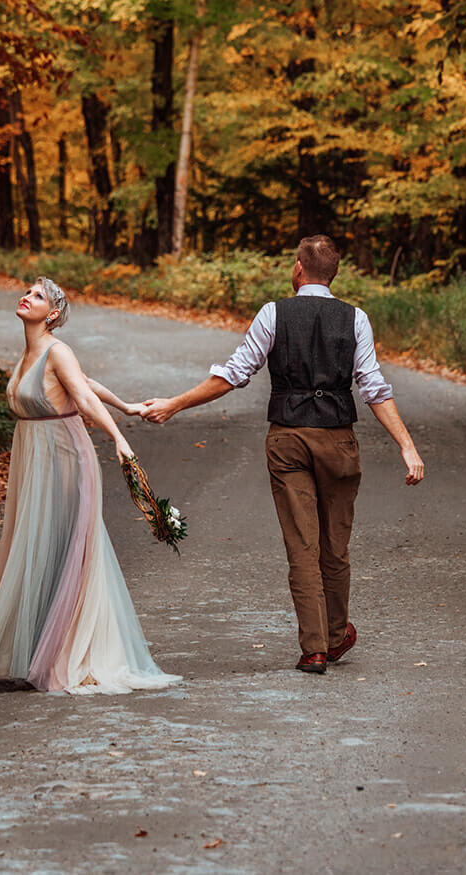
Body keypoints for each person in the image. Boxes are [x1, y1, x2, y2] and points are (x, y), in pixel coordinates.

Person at [142, 236, 424, 674]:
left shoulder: (273, 313)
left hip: (288, 439)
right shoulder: (356, 318)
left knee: (302, 546)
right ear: (333, 274)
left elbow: (234, 374)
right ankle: (334, 637)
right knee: (335, 547)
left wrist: (174, 404)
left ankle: (315, 649)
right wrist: (407, 447)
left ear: (298, 269)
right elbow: (373, 388)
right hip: (338, 441)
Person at [0, 277, 180, 694]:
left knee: (65, 547)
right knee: (35, 547)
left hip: (64, 458)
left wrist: (120, 438)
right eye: (27, 291)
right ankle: (37, 652)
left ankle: (69, 655)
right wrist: (126, 404)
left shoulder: (56, 349)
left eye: (36, 295)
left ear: (51, 313)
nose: (25, 297)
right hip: (33, 459)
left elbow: (83, 400)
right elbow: (85, 381)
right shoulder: (32, 351)